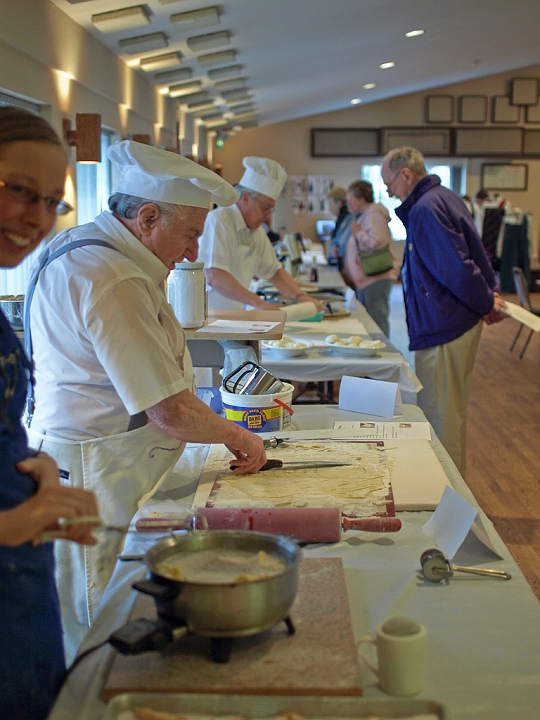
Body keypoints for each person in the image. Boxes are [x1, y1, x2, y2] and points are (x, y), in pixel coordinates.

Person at [26, 140, 268, 662]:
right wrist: (238, 434)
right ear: (148, 216)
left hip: (94, 456)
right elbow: (171, 410)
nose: (192, 253)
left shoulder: (94, 248)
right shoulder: (112, 277)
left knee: (91, 611)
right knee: (97, 621)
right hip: (94, 465)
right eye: (188, 235)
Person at [0, 106, 99, 720]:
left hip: (19, 585)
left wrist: (31, 465)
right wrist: (13, 524)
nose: (34, 218)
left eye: (50, 201)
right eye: (17, 191)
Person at [381, 147, 506, 477]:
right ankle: (450, 492)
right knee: (450, 415)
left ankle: (446, 496)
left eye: (389, 184)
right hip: (451, 322)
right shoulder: (443, 198)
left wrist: (486, 302)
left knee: (440, 420)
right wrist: (487, 298)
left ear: (406, 175)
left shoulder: (425, 208)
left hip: (444, 324)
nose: (389, 192)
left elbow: (457, 269)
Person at [198, 156, 324, 313]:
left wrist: (300, 296)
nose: (267, 216)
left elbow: (274, 271)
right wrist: (260, 304)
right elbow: (215, 275)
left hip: (232, 316)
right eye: (265, 208)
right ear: (246, 198)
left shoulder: (257, 232)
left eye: (271, 210)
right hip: (207, 317)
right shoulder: (218, 221)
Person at [343, 180, 399, 337]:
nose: (349, 204)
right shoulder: (368, 215)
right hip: (368, 277)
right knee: (370, 319)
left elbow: (376, 242)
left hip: (376, 276)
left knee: (377, 319)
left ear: (361, 199)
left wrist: (358, 232)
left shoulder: (374, 215)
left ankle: (383, 354)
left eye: (351, 200)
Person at [326, 186, 349, 265]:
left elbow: (340, 243)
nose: (330, 208)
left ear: (339, 203)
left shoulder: (345, 217)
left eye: (331, 204)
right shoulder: (342, 217)